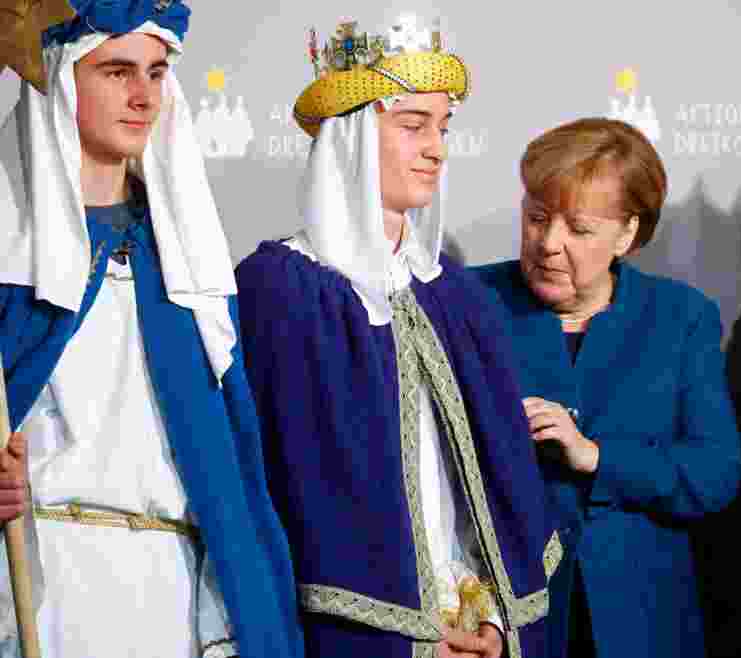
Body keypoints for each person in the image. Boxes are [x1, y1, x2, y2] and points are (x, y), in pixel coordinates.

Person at [234, 15, 559, 658]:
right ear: (352, 137)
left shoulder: (458, 298)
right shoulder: (281, 292)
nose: (437, 147)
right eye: (412, 125)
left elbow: (501, 484)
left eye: (443, 127)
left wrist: (491, 617)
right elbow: (269, 487)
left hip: (473, 626)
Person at [0, 2, 304, 657]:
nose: (144, 97)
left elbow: (228, 469)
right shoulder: (12, 254)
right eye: (116, 72)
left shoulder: (184, 265)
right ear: (59, 79)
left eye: (158, 73)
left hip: (173, 593)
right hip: (51, 584)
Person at [472, 118, 741, 658]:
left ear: (628, 234)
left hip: (643, 622)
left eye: (578, 228)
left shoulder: (681, 318)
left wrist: (597, 457)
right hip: (507, 621)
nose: (548, 244)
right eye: (536, 219)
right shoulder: (468, 302)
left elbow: (715, 475)